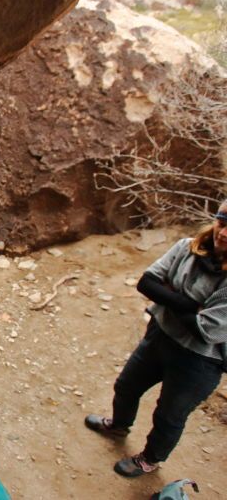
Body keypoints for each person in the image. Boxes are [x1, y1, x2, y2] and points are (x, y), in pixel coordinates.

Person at [85, 201, 227, 477]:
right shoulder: (187, 247)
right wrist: (191, 305)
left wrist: (169, 295)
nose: (224, 233)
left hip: (200, 360)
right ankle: (119, 425)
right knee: (126, 385)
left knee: (169, 415)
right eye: (223, 223)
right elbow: (146, 282)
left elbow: (205, 329)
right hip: (160, 335)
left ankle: (150, 459)